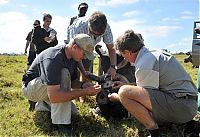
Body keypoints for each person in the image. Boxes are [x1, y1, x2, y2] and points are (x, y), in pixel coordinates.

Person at [108, 30, 198, 137]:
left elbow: (142, 99)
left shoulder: (144, 64)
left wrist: (117, 97)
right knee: (125, 89)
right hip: (188, 104)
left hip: (181, 107)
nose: (124, 58)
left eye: (123, 54)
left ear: (128, 52)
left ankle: (154, 132)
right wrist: (126, 85)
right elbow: (149, 89)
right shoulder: (151, 54)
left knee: (124, 92)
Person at [22, 34, 101, 135]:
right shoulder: (54, 57)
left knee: (72, 112)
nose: (84, 57)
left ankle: (43, 105)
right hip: (31, 89)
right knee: (63, 73)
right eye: (84, 53)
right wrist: (84, 92)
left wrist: (82, 86)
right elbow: (55, 97)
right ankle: (61, 124)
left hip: (49, 88)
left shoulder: (73, 58)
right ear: (74, 47)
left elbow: (71, 82)